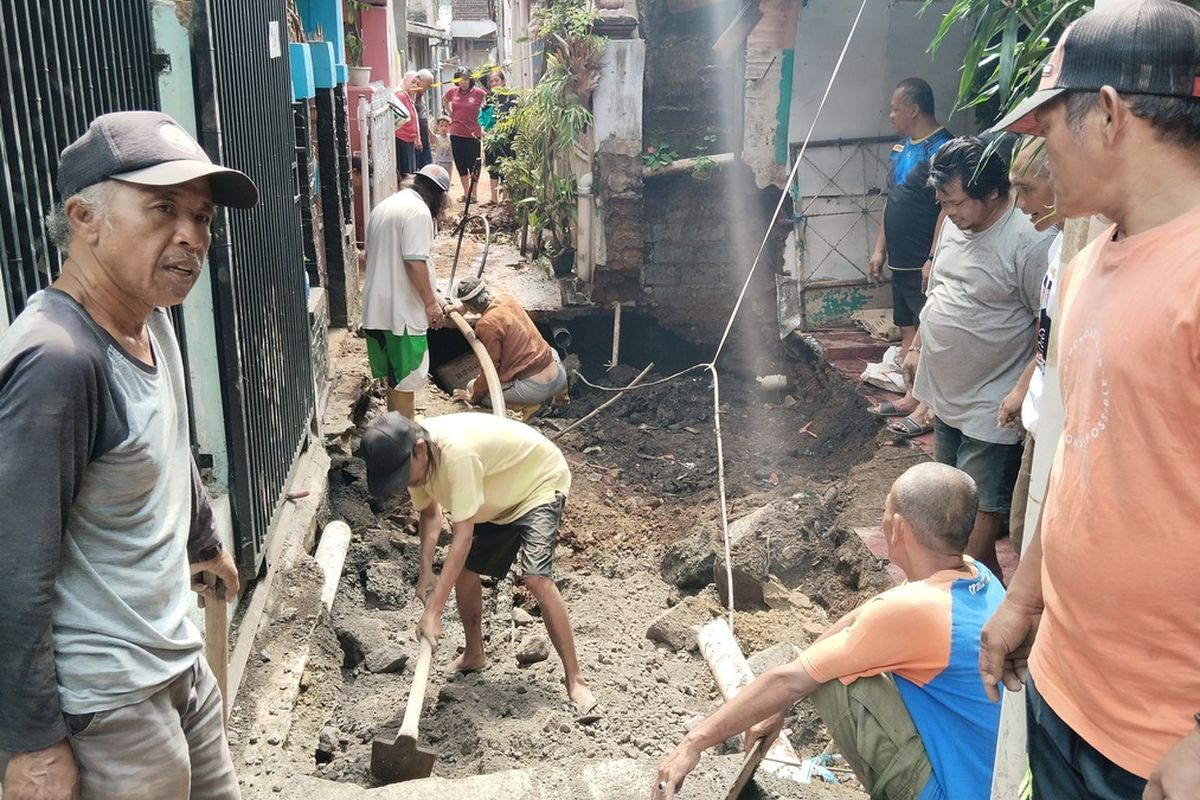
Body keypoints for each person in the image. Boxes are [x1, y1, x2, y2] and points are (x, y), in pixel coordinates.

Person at [981, 2, 1200, 797]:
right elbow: (1081, 455)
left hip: (1162, 746)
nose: (1036, 156)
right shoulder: (1082, 271)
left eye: (1046, 129)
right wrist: (1025, 596)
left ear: (1107, 114)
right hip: (1064, 690)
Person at [0, 111, 252, 800]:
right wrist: (32, 742)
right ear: (85, 218)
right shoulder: (58, 362)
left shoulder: (150, 320)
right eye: (162, 209)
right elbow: (12, 566)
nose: (190, 237)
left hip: (174, 660)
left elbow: (167, 441)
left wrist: (203, 538)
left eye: (200, 218)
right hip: (107, 703)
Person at [654, 462, 1004, 800]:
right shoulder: (976, 575)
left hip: (951, 792)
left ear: (897, 527)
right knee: (833, 661)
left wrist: (693, 742)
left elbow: (789, 679)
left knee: (835, 680)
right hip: (990, 780)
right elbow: (861, 617)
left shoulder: (913, 610)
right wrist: (779, 705)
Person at [360, 411, 598, 716]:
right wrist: (426, 572)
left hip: (537, 484)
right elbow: (430, 513)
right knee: (466, 573)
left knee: (536, 578)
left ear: (419, 448)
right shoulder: (414, 458)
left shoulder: (456, 454)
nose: (403, 483)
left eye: (402, 475)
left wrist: (433, 612)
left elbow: (463, 537)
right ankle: (474, 654)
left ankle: (575, 680)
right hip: (493, 497)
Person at [901, 136, 1053, 578]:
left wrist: (1021, 389)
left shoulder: (1030, 242)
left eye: (957, 202)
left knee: (972, 545)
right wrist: (916, 347)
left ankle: (993, 626)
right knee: (944, 531)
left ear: (993, 191)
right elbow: (941, 291)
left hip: (991, 410)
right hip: (945, 400)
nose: (949, 212)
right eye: (943, 202)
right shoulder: (954, 221)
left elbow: (1048, 328)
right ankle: (956, 617)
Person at [867, 78, 953, 438]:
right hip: (900, 258)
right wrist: (880, 247)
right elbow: (893, 200)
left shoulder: (943, 149)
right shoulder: (901, 149)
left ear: (914, 109)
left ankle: (926, 407)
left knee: (928, 330)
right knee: (906, 326)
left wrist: (933, 255)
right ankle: (909, 395)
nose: (890, 115)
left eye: (895, 108)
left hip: (924, 259)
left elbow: (947, 208)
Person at [995, 138, 1063, 554]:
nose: (1019, 204)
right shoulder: (1059, 245)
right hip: (1039, 420)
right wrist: (1024, 389)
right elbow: (1047, 333)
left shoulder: (1075, 250)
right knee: (1023, 535)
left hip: (1057, 430)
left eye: (1027, 189)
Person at [361, 164, 452, 419]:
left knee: (394, 377)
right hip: (401, 313)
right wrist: (431, 305)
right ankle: (405, 441)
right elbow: (414, 262)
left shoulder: (385, 206)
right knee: (405, 381)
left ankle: (396, 429)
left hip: (377, 310)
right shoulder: (418, 212)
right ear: (438, 196)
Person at [449, 277, 566, 409]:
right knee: (549, 350)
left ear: (469, 306)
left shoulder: (486, 324)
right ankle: (562, 399)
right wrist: (465, 307)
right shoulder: (506, 298)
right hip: (559, 377)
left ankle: (532, 408)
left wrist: (473, 397)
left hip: (535, 390)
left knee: (472, 387)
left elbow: (490, 368)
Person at [442, 67, 487, 201]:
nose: (463, 82)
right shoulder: (453, 92)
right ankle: (466, 193)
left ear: (471, 80)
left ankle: (474, 194)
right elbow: (444, 100)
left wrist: (483, 123)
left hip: (473, 133)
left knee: (473, 164)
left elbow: (487, 106)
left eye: (466, 80)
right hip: (456, 132)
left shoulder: (479, 93)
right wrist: (451, 114)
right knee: (460, 163)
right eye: (461, 80)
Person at [480, 69, 517, 205]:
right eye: (492, 82)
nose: (494, 84)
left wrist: (502, 130)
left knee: (505, 168)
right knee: (492, 167)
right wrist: (483, 129)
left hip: (507, 139)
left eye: (497, 81)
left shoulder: (511, 96)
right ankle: (493, 198)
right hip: (491, 139)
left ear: (503, 81)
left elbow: (513, 117)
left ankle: (505, 198)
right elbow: (482, 117)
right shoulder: (489, 99)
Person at [393, 71, 422, 179]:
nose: (415, 86)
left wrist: (416, 137)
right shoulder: (401, 95)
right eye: (413, 82)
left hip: (409, 139)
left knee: (410, 171)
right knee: (406, 173)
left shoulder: (409, 97)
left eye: (417, 84)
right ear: (406, 81)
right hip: (402, 138)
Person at [414, 69, 435, 169]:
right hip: (417, 136)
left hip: (424, 134)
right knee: (420, 163)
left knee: (427, 163)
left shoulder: (420, 96)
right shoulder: (412, 96)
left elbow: (423, 116)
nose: (428, 88)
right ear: (420, 81)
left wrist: (429, 132)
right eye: (427, 85)